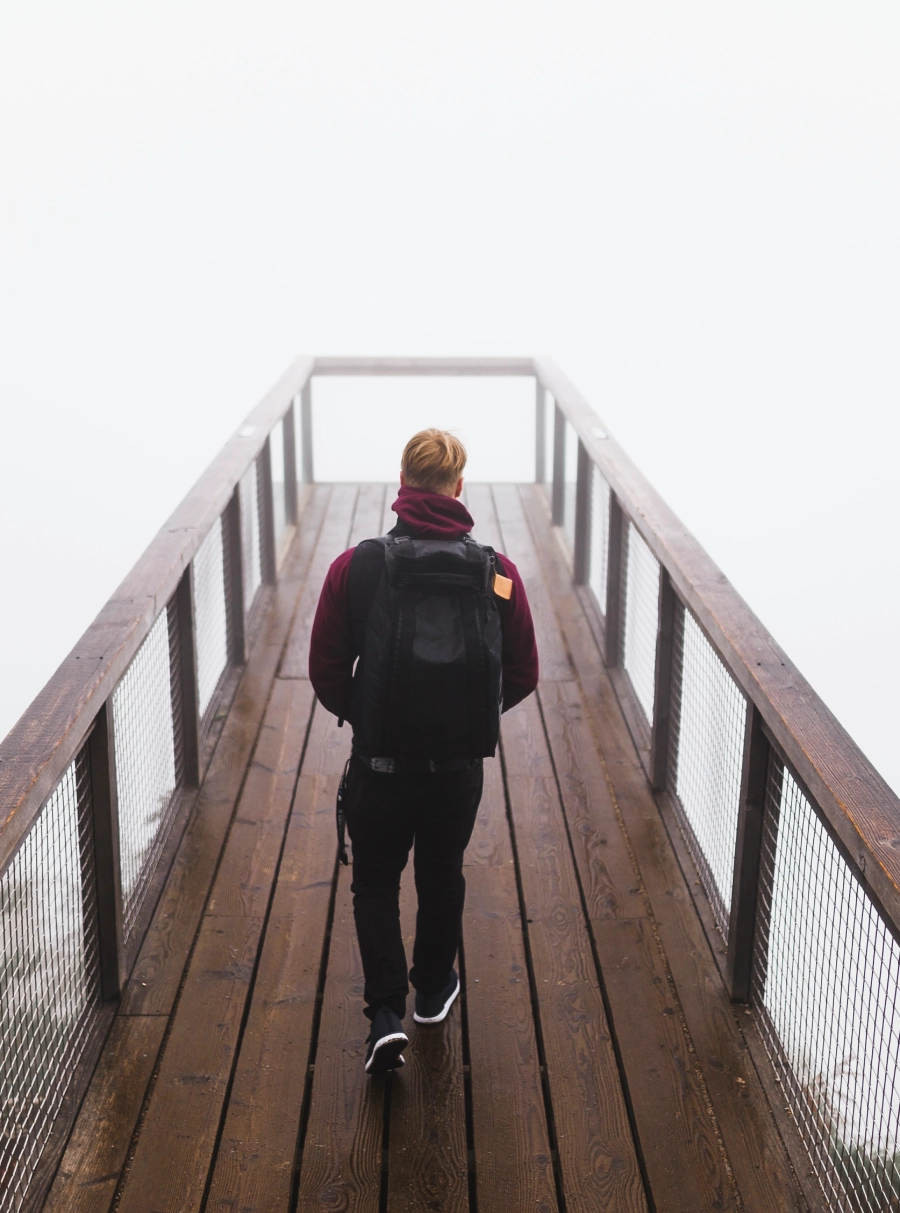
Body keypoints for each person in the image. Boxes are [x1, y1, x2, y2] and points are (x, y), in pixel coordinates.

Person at [308, 428, 538, 1075]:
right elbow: (522, 673)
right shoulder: (498, 572)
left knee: (375, 878)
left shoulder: (356, 566)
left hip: (380, 767)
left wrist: (370, 718)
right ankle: (434, 989)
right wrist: (467, 719)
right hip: (456, 769)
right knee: (443, 872)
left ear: (403, 485)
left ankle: (385, 1013)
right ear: (459, 487)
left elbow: (326, 667)